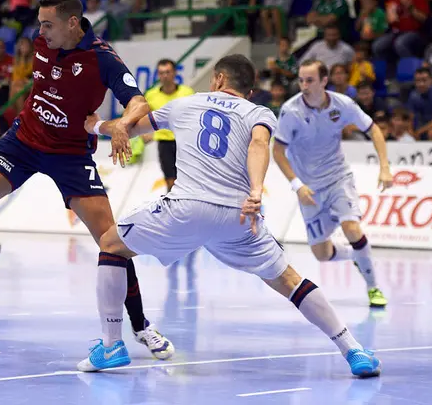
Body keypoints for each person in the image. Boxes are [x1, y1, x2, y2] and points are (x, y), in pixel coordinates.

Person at [76, 54, 382, 379]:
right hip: (237, 217)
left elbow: (130, 129)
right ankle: (353, 350)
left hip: (186, 207)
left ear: (219, 79)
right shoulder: (259, 112)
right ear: (248, 92)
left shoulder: (186, 103)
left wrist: (96, 125)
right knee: (290, 281)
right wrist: (256, 190)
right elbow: (259, 145)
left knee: (111, 244)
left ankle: (111, 345)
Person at [0, 0, 174, 360]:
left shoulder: (101, 58)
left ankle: (140, 326)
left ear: (73, 23)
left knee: (112, 240)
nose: (41, 32)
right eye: (40, 24)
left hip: (70, 154)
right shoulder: (41, 42)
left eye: (48, 24)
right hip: (22, 140)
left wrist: (122, 123)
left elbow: (138, 101)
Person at [272, 60, 392, 308]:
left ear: (324, 81)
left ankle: (373, 289)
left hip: (338, 179)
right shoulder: (290, 111)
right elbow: (278, 151)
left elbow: (374, 130)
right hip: (310, 190)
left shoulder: (343, 105)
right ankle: (358, 257)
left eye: (310, 80)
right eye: (301, 80)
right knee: (322, 254)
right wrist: (297, 185)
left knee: (352, 229)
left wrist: (385, 167)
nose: (304, 86)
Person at [143, 59, 195, 191]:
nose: (164, 76)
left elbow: (195, 115)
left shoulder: (187, 92)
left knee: (186, 179)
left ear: (174, 73)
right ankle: (173, 206)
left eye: (167, 72)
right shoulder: (151, 95)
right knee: (170, 180)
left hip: (184, 142)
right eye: (161, 73)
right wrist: (145, 132)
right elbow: (145, 116)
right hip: (164, 142)